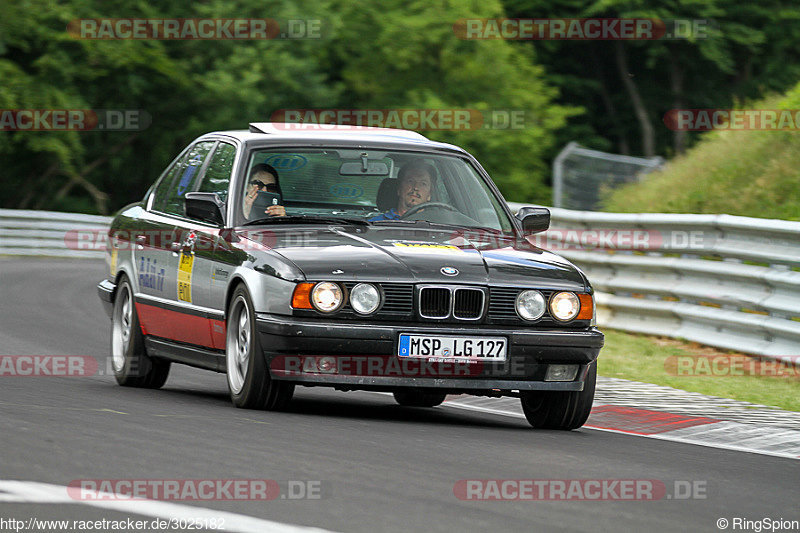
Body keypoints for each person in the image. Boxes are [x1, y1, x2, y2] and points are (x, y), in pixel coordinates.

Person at [370, 161, 435, 221]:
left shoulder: (437, 225)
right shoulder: (376, 224)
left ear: (429, 195)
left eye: (423, 183)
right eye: (410, 181)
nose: (416, 187)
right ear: (399, 189)